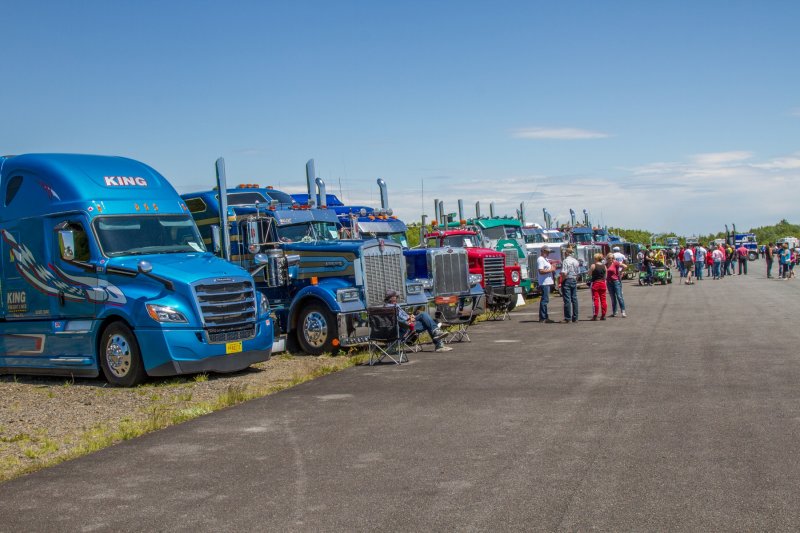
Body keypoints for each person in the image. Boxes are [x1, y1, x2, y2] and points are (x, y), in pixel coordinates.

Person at [384, 290, 451, 352]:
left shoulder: (394, 305)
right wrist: (408, 319)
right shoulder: (390, 308)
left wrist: (410, 316)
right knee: (427, 320)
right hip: (405, 327)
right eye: (396, 296)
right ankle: (438, 342)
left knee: (425, 317)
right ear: (391, 298)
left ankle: (437, 336)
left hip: (407, 322)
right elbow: (397, 320)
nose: (397, 298)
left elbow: (402, 316)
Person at [560, 246, 580, 323]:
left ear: (567, 253)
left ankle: (568, 318)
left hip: (567, 279)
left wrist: (562, 280)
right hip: (574, 279)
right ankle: (575, 317)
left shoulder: (565, 261)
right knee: (574, 299)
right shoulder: (576, 261)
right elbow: (578, 273)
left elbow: (564, 272)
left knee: (567, 299)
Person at [536, 246, 556, 323]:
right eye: (547, 252)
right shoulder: (540, 259)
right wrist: (551, 269)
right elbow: (541, 271)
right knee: (544, 300)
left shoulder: (545, 259)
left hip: (547, 282)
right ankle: (543, 317)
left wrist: (552, 266)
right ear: (543, 251)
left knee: (545, 300)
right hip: (544, 282)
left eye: (548, 252)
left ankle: (545, 316)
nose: (548, 253)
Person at [606, 253, 627, 317]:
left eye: (612, 258)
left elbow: (625, 266)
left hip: (616, 281)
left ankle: (623, 311)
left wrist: (621, 272)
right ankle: (614, 312)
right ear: (607, 259)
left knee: (619, 296)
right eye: (609, 258)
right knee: (613, 298)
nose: (611, 259)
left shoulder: (615, 263)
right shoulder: (606, 265)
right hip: (609, 282)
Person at [589, 253, 607, 320]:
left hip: (595, 283)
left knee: (595, 300)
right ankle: (603, 315)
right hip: (602, 283)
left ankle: (595, 315)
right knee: (603, 300)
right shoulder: (604, 266)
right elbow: (605, 276)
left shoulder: (593, 265)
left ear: (596, 258)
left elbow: (589, 274)